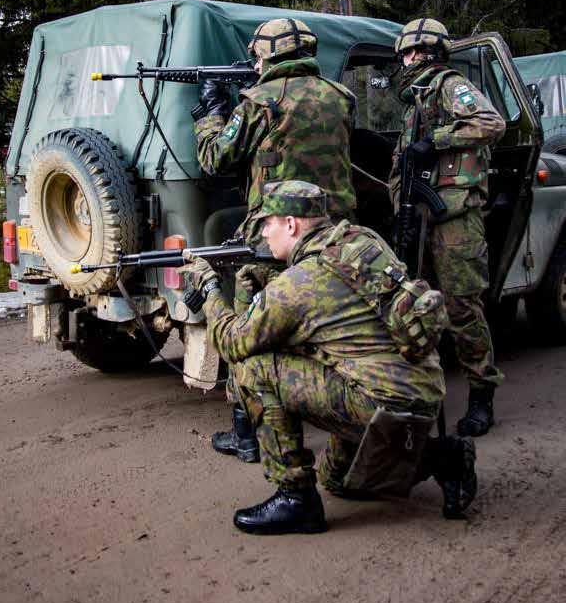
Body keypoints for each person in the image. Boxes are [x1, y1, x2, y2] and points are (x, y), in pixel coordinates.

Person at [185, 180, 477, 536]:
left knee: (253, 366)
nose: (263, 233)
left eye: (267, 223)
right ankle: (444, 458)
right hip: (420, 392)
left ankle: (295, 498)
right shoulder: (360, 240)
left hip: (380, 401)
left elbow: (233, 342)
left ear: (291, 224)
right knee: (336, 479)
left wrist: (211, 289)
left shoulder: (299, 283)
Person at [191, 18, 357, 463]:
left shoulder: (260, 100)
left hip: (274, 237)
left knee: (252, 330)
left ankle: (247, 433)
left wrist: (210, 113)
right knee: (321, 328)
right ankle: (333, 416)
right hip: (332, 236)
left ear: (267, 55)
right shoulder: (341, 98)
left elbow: (214, 158)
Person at [389, 18, 506, 437]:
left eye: (411, 51)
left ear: (429, 52)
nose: (405, 59)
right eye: (402, 52)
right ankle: (421, 393)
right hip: (419, 218)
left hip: (456, 218)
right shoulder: (413, 100)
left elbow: (491, 124)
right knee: (417, 307)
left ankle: (481, 396)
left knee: (462, 308)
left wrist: (437, 139)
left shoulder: (447, 85)